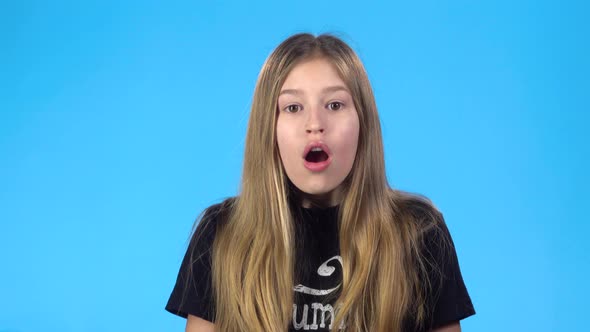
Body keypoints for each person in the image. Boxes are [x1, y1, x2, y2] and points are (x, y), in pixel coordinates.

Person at [165, 33, 475, 332]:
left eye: (335, 105)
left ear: (363, 122)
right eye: (293, 107)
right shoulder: (222, 234)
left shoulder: (420, 232)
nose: (315, 124)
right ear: (268, 130)